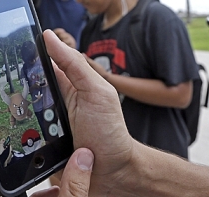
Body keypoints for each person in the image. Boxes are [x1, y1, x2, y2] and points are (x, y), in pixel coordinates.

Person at [0, 29, 209, 197]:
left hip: (49, 104)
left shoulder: (153, 18)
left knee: (54, 135)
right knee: (48, 136)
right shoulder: (35, 63)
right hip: (38, 107)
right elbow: (30, 85)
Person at [56, 0, 199, 158]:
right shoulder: (91, 28)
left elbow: (181, 94)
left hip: (161, 160)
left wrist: (107, 78)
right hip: (117, 162)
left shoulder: (158, 18)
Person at [20, 41, 58, 142]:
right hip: (38, 107)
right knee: (47, 135)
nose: (32, 61)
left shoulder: (44, 59)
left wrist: (48, 80)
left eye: (33, 58)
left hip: (50, 102)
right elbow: (26, 90)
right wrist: (33, 87)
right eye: (29, 60)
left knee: (54, 132)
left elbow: (56, 75)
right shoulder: (24, 69)